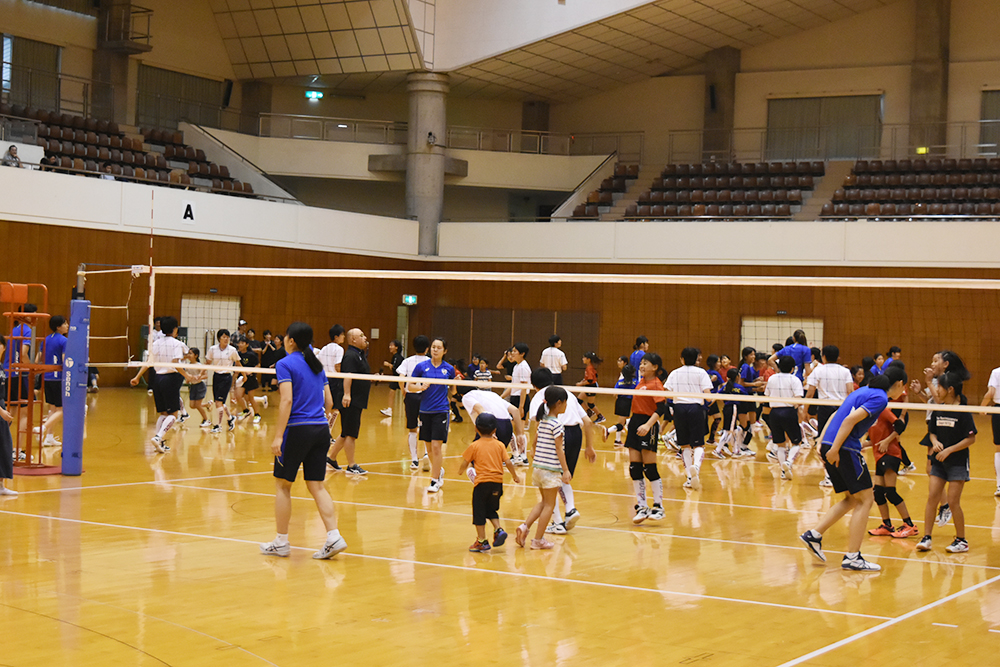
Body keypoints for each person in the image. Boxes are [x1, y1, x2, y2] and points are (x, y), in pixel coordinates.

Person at [799, 365, 907, 572]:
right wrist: (836, 448)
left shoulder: (862, 391)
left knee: (851, 499)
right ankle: (853, 557)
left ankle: (813, 535)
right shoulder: (880, 398)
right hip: (844, 448)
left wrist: (822, 442)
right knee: (866, 500)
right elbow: (848, 419)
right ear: (900, 384)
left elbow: (835, 415)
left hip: (833, 445)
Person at [260, 322, 347, 560]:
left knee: (283, 485)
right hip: (320, 429)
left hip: (297, 429)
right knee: (316, 485)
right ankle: (333, 536)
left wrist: (278, 436)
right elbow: (329, 402)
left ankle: (281, 542)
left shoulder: (284, 364)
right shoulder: (317, 365)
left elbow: (286, 401)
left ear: (290, 341)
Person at [529, 367, 596, 534]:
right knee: (563, 477)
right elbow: (587, 422)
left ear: (534, 385)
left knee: (551, 478)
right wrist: (589, 446)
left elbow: (538, 424)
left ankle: (558, 521)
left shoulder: (540, 397)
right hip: (575, 434)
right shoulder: (566, 392)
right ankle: (570, 509)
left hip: (555, 433)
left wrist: (533, 446)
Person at [917, 370, 976, 553]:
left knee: (952, 501)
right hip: (939, 462)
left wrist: (950, 449)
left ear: (950, 389)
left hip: (957, 462)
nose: (937, 390)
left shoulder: (963, 411)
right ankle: (927, 537)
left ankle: (961, 540)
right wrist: (934, 442)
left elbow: (971, 439)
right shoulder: (939, 408)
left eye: (939, 387)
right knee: (932, 497)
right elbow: (932, 432)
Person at [515, 385, 571, 550]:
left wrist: (535, 453)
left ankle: (525, 526)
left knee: (544, 502)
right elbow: (559, 449)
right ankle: (538, 540)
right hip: (550, 470)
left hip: (538, 468)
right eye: (565, 403)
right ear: (559, 403)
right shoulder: (557, 425)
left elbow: (534, 442)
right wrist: (566, 470)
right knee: (550, 505)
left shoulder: (543, 422)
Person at [459, 413, 522, 552]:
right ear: (495, 430)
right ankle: (498, 529)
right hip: (497, 484)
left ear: (476, 429)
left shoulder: (474, 445)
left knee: (479, 512)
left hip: (482, 484)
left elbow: (465, 461)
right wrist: (515, 475)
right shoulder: (500, 445)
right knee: (491, 509)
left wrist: (461, 470)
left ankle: (482, 541)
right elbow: (508, 462)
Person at [130, 315, 189, 452]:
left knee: (163, 413)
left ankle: (159, 442)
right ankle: (158, 437)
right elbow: (176, 363)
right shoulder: (177, 344)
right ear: (175, 329)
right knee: (173, 414)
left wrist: (137, 376)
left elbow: (148, 363)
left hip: (157, 380)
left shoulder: (155, 343)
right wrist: (187, 375)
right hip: (171, 379)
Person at [626, 352, 669, 523]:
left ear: (655, 367)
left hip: (648, 423)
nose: (642, 365)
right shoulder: (641, 382)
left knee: (649, 468)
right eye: (641, 363)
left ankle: (658, 507)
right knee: (634, 468)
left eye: (646, 363)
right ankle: (642, 506)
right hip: (636, 421)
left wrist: (648, 425)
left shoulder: (656, 384)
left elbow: (661, 408)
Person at [409, 337, 456, 493]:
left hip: (441, 411)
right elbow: (410, 386)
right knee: (429, 449)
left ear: (445, 351)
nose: (435, 349)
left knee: (436, 447)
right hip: (425, 411)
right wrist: (421, 386)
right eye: (433, 347)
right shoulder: (421, 367)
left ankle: (435, 480)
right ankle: (439, 470)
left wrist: (454, 383)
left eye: (439, 347)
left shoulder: (449, 369)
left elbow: (453, 391)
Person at [864, 407, 917, 538]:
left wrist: (887, 441)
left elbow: (900, 425)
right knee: (878, 492)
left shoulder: (882, 410)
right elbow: (874, 440)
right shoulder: (868, 415)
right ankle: (887, 525)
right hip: (879, 456)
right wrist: (861, 445)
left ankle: (909, 525)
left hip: (891, 454)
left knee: (890, 492)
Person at [805, 345, 854, 487]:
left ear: (823, 356)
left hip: (825, 409)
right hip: (842, 409)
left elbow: (810, 392)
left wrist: (804, 409)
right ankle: (841, 474)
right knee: (841, 440)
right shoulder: (845, 371)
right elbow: (850, 392)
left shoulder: (818, 370)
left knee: (824, 442)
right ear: (838, 357)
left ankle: (829, 476)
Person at [666, 348, 714, 490]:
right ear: (697, 358)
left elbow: (667, 394)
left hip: (679, 408)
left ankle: (689, 477)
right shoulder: (701, 372)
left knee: (684, 445)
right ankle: (696, 468)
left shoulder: (674, 373)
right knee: (699, 445)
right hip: (695, 408)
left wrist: (678, 396)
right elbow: (708, 396)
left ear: (682, 359)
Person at [327, 328, 371, 476]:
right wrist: (347, 394)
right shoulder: (351, 356)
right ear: (353, 340)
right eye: (362, 335)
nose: (365, 338)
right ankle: (351, 465)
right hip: (351, 400)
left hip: (357, 399)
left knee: (346, 432)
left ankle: (331, 458)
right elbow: (348, 375)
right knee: (351, 433)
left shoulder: (359, 354)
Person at [764, 355, 804, 480]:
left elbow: (766, 395)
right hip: (789, 412)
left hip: (774, 413)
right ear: (793, 368)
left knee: (780, 444)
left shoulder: (772, 379)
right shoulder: (795, 379)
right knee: (796, 442)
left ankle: (783, 470)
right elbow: (798, 399)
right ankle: (789, 462)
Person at [397, 335, 431, 471]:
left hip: (411, 396)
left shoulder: (408, 361)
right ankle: (427, 454)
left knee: (412, 428)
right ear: (427, 348)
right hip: (426, 396)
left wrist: (403, 391)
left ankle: (414, 460)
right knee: (426, 426)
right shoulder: (431, 361)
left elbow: (401, 377)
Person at [38, 315, 69, 447]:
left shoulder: (45, 340)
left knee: (52, 408)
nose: (67, 325)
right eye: (65, 323)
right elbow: (65, 361)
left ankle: (48, 438)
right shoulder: (64, 341)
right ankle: (43, 428)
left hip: (47, 377)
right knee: (62, 409)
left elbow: (38, 360)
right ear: (58, 326)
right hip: (58, 378)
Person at [318, 325, 345, 458]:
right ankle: (326, 433)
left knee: (325, 406)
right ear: (336, 336)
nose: (344, 337)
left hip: (323, 379)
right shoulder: (339, 349)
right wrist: (344, 377)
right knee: (335, 408)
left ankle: (324, 431)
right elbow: (337, 365)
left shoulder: (323, 348)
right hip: (335, 380)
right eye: (342, 335)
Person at [206, 329, 239, 434]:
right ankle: (230, 418)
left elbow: (238, 363)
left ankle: (218, 425)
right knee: (219, 403)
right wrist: (201, 373)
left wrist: (244, 374)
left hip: (226, 378)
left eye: (227, 337)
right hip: (216, 377)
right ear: (219, 338)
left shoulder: (232, 350)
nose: (226, 339)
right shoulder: (213, 349)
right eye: (224, 337)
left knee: (219, 403)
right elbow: (207, 362)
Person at [604, 356, 635, 446]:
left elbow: (614, 393)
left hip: (620, 402)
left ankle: (618, 440)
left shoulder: (620, 382)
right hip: (627, 402)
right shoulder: (635, 382)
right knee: (621, 424)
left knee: (621, 422)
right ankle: (608, 430)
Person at [0, 335, 17, 496]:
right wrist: (1, 411)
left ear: (4, 347)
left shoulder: (1, 367)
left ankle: (1, 485)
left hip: (1, 407)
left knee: (4, 446)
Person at [501, 343, 531, 431]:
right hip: (514, 398)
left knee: (519, 430)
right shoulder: (517, 366)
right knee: (513, 429)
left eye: (515, 351)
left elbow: (524, 388)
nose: (512, 353)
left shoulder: (523, 367)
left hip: (520, 399)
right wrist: (501, 397)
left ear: (522, 354)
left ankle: (522, 445)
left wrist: (521, 407)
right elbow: (513, 386)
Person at [982, 362, 1000, 497]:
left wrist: (982, 407)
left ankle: (999, 486)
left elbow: (991, 392)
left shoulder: (996, 372)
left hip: (998, 410)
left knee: (999, 448)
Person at [184, 348, 211, 427]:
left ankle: (207, 420)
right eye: (188, 353)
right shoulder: (187, 366)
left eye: (191, 353)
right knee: (192, 406)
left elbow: (206, 376)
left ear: (196, 356)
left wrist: (198, 377)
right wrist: (188, 380)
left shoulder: (199, 365)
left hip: (200, 386)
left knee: (198, 405)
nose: (189, 355)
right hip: (193, 386)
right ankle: (207, 404)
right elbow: (188, 375)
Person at [576, 351, 605, 424]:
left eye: (584, 358)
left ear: (588, 359)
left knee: (591, 404)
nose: (582, 359)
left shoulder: (589, 368)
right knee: (578, 399)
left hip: (591, 387)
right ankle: (589, 412)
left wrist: (581, 384)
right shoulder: (589, 367)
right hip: (588, 386)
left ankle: (600, 416)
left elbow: (590, 380)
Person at [380, 339, 404, 417]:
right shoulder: (395, 356)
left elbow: (396, 369)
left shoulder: (398, 357)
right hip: (396, 377)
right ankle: (389, 409)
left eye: (392, 345)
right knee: (392, 392)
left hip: (399, 377)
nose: (390, 347)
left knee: (405, 394)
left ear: (396, 347)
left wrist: (388, 365)